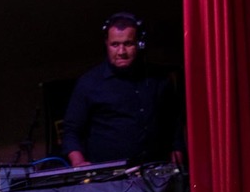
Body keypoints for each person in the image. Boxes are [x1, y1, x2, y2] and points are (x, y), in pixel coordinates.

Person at [63, 12, 185, 167]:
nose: (121, 52)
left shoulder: (159, 79)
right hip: (109, 179)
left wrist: (178, 151)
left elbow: (173, 122)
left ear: (140, 44)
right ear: (106, 44)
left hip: (156, 171)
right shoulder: (89, 83)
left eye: (128, 44)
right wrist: (78, 162)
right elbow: (71, 131)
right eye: (115, 45)